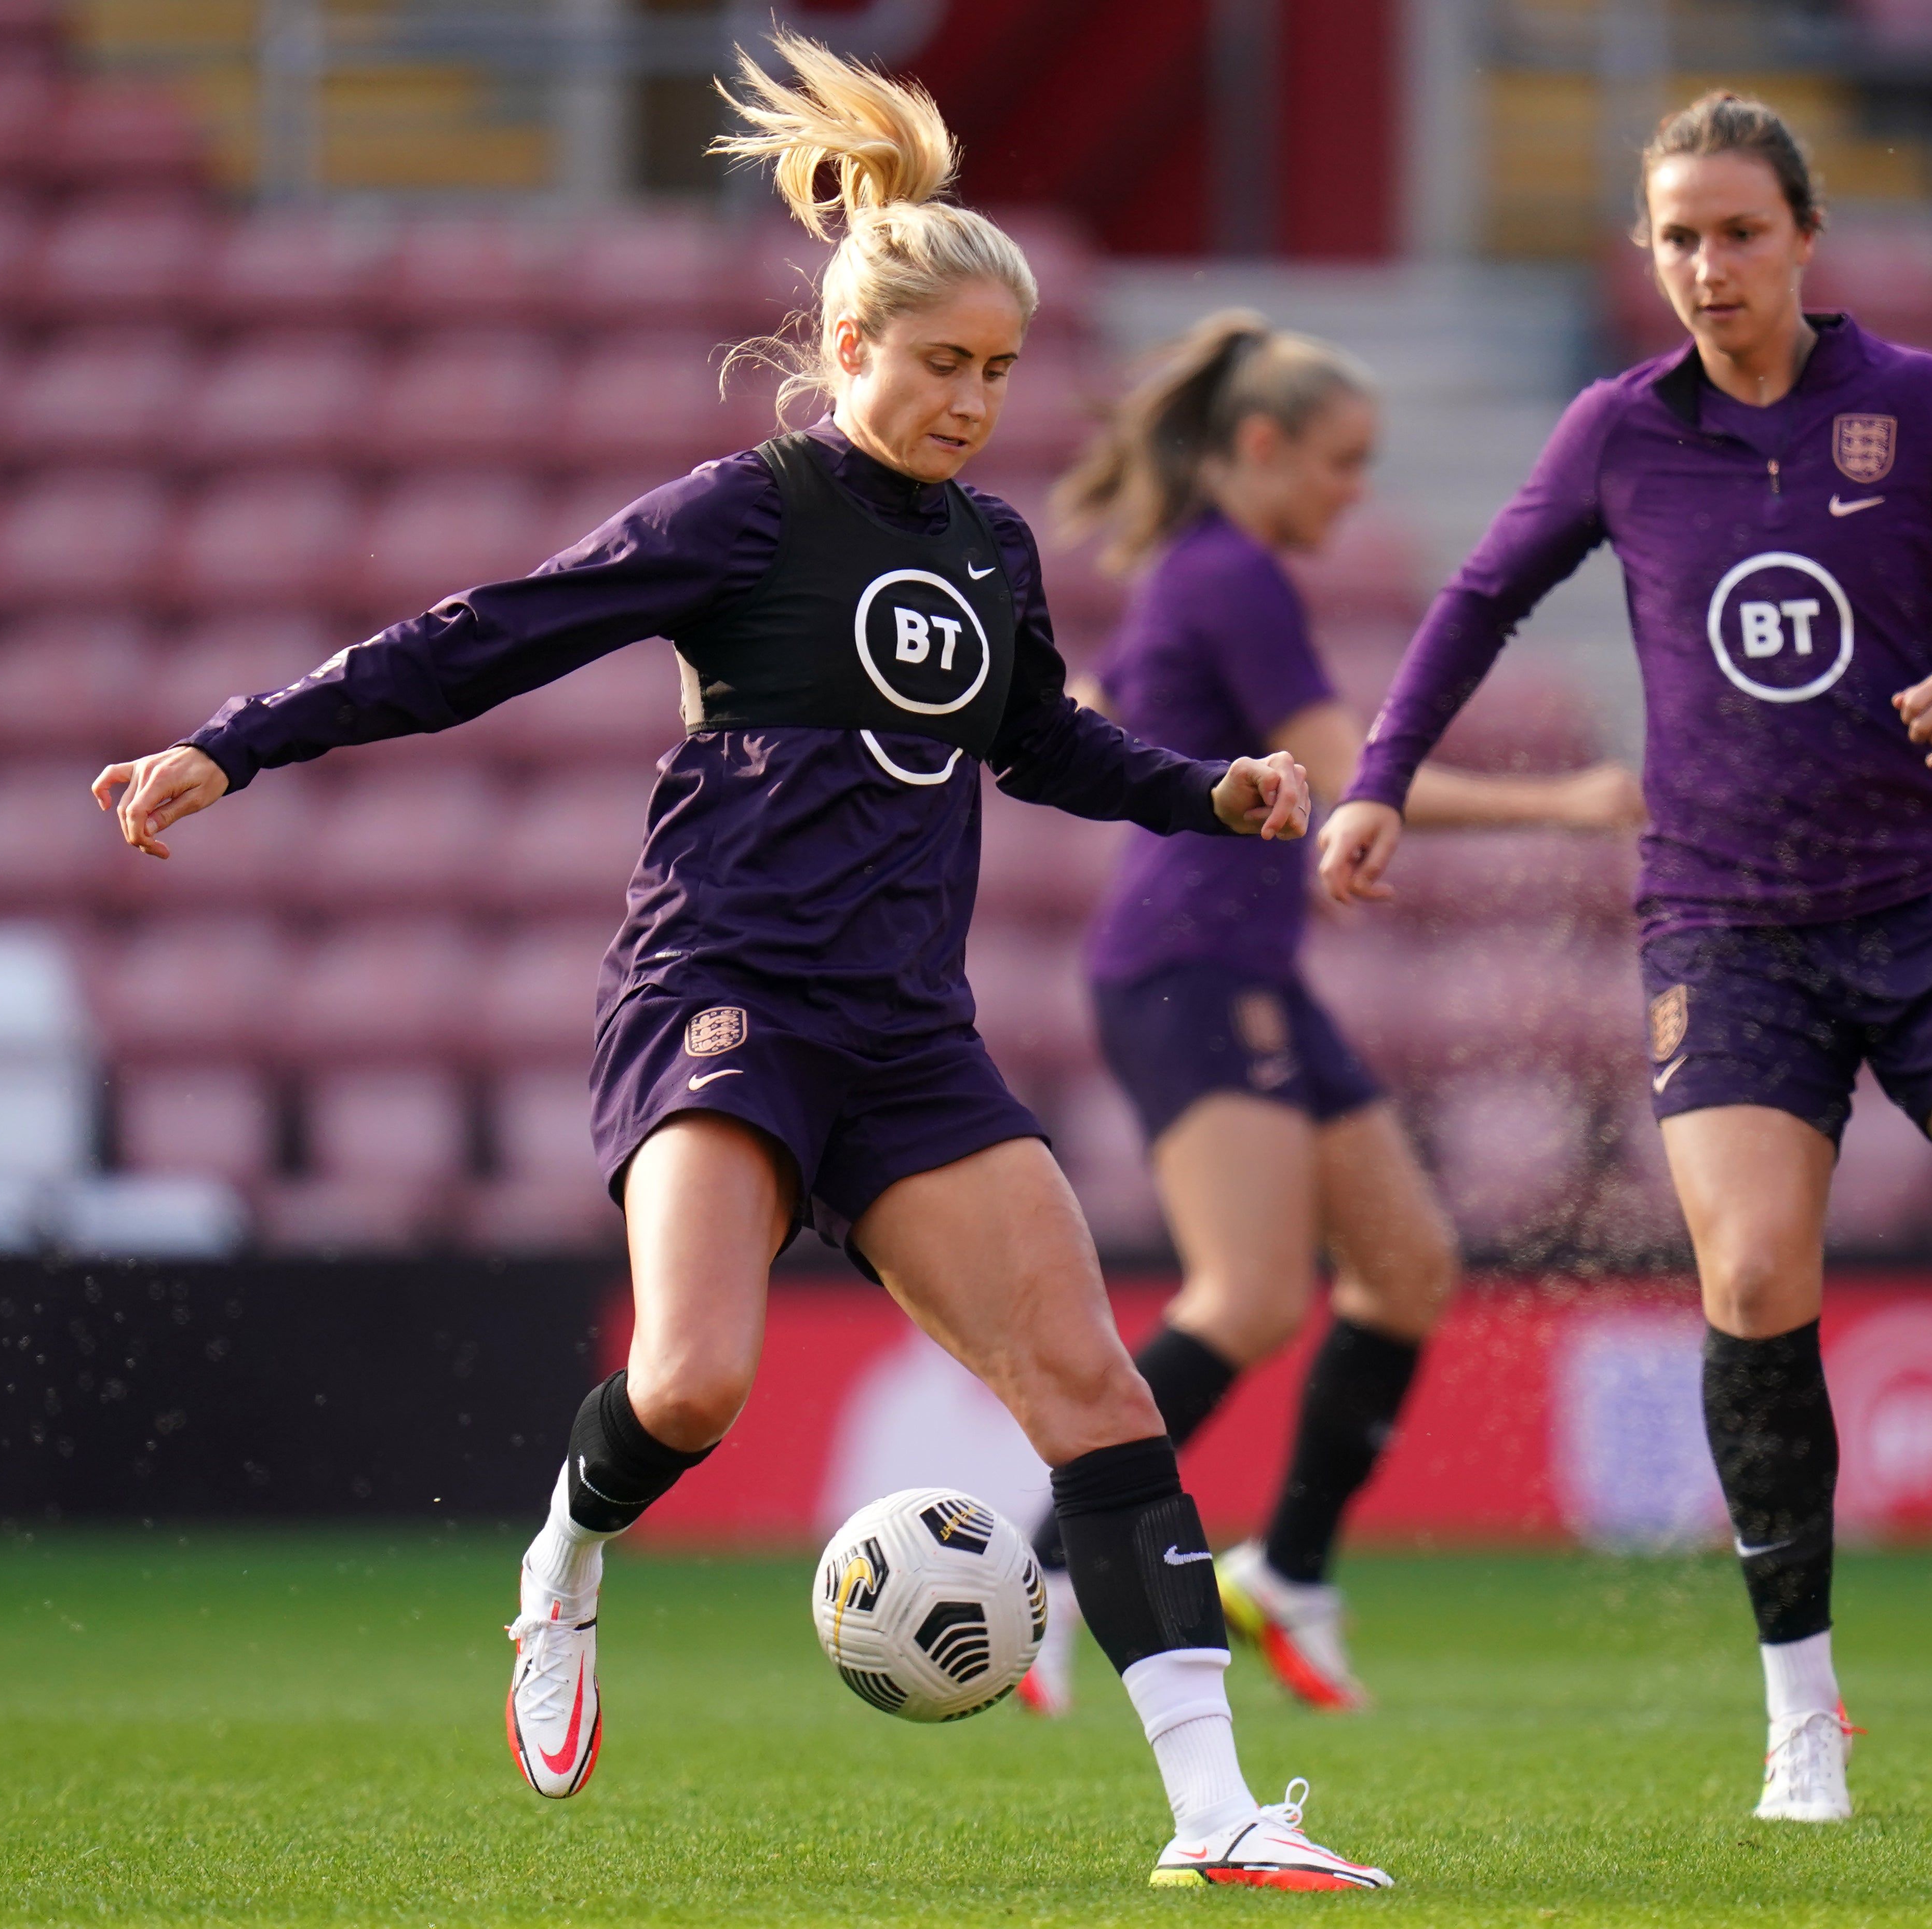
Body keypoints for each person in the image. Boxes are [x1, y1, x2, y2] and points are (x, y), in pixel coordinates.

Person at [91, 32, 1391, 1893]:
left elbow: (1042, 744)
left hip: (905, 1034)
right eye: (940, 364)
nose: (969, 402)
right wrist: (236, 739)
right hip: (721, 993)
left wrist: (1215, 791)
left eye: (999, 374)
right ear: (849, 350)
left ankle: (1214, 1817)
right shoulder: (748, 511)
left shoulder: (997, 549)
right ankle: (564, 1557)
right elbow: (490, 637)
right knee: (693, 1382)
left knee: (1096, 1388)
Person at [1313, 92, 1932, 1823]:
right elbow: (1474, 601)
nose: (1709, 266)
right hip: (1727, 927)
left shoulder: (1918, 406)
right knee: (1750, 1286)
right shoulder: (1618, 431)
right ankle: (1802, 1715)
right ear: (1649, 253)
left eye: (1741, 232)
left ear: (1807, 238)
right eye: (1678, 237)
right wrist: (1380, 785)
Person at [1013, 311, 1643, 1717]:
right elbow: (1353, 774)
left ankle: (1287, 1569)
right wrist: (1566, 800)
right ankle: (1044, 1575)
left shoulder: (1211, 575)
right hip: (1186, 965)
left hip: (1248, 971)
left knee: (1409, 1261)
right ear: (1260, 446)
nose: (1355, 491)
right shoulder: (1230, 577)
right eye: (1340, 462)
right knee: (1243, 1295)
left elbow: (1144, 707)